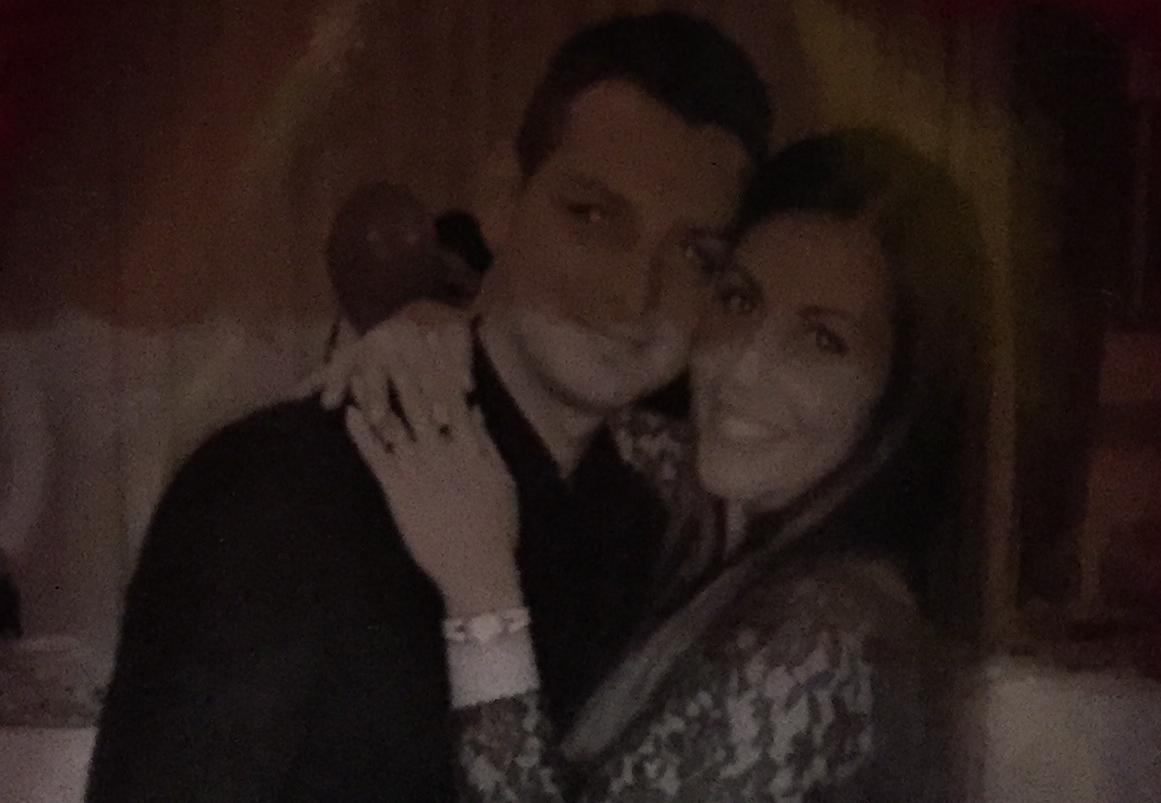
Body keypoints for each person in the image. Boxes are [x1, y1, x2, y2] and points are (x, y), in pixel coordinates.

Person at [84, 11, 772, 803]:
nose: (632, 293)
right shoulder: (279, 488)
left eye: (692, 254)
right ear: (501, 198)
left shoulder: (657, 538)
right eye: (591, 216)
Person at [348, 129, 992, 803]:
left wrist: (483, 598)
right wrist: (439, 334)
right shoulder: (717, 497)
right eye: (740, 301)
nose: (742, 368)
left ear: (898, 395)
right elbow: (559, 409)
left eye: (821, 341)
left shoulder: (827, 641)